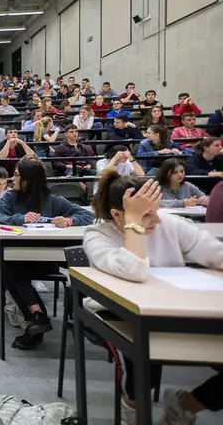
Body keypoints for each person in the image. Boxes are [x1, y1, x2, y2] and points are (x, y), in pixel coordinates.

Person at [83, 172, 223, 425]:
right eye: (147, 214)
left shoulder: (167, 223)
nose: (157, 220)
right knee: (140, 364)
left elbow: (215, 252)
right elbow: (134, 269)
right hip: (116, 314)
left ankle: (186, 405)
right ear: (118, 215)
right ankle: (132, 410)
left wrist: (141, 217)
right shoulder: (97, 236)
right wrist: (134, 223)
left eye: (156, 210)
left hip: (175, 309)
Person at [0, 160, 94, 350]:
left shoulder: (52, 200)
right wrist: (19, 219)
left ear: (29, 180)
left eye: (18, 175)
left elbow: (89, 216)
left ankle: (37, 320)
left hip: (47, 260)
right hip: (20, 256)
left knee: (10, 269)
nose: (13, 178)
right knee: (10, 265)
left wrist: (70, 220)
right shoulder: (11, 197)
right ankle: (36, 316)